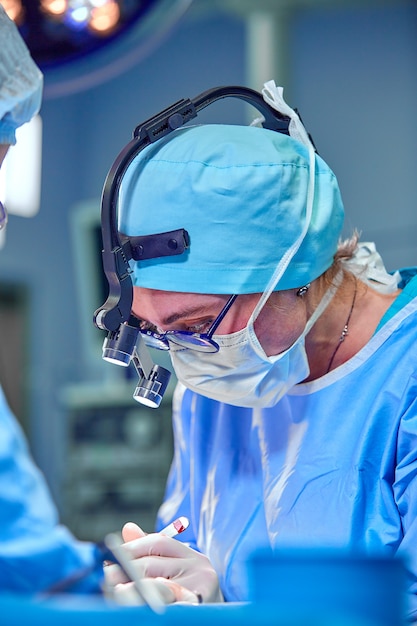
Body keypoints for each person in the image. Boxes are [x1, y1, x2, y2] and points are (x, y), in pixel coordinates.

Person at [107, 82, 417, 621]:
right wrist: (187, 597)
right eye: (155, 331)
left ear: (292, 271)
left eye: (197, 324)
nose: (186, 357)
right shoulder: (212, 388)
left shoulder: (403, 374)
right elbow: (193, 545)